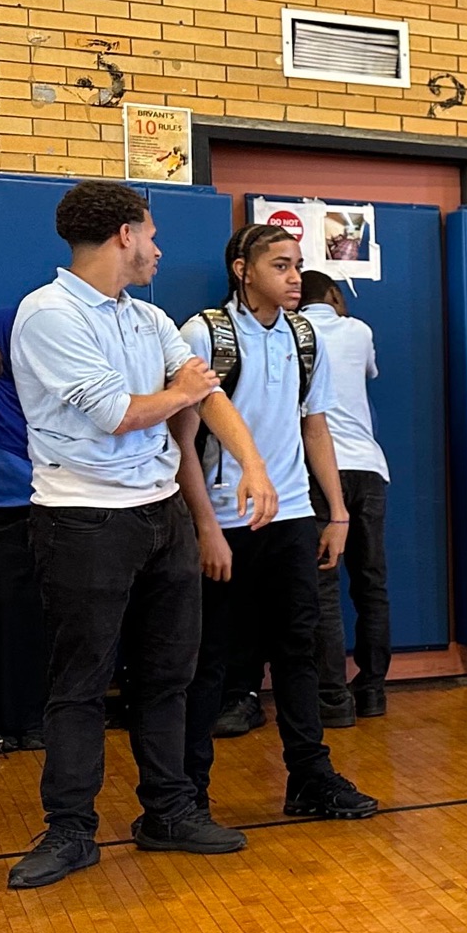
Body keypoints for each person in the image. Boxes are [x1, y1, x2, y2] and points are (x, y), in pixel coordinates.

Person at [7, 180, 276, 890]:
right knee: (82, 682)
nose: (158, 247)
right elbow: (116, 413)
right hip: (82, 519)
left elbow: (207, 395)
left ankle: (169, 811)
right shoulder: (49, 314)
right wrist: (183, 392)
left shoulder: (146, 317)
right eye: (151, 233)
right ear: (124, 235)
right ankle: (69, 829)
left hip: (163, 516)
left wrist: (252, 465)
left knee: (169, 675)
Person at [173, 224, 379, 823]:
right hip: (226, 522)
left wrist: (334, 511)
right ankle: (189, 793)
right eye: (281, 266)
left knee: (299, 650)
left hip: (291, 515)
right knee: (211, 658)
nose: (294, 278)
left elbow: (316, 426)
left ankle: (309, 777)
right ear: (243, 269)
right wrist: (206, 525)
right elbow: (183, 439)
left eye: (297, 266)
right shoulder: (204, 333)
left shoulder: (304, 336)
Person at [298, 271, 393, 724]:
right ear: (334, 296)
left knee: (324, 588)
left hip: (319, 470)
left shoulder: (292, 333)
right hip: (369, 469)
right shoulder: (358, 331)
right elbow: (370, 372)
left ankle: (332, 699)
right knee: (372, 585)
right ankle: (373, 690)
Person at [0, 303, 51, 755]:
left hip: (15, 498)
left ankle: (22, 718)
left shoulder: (12, 325)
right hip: (0, 491)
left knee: (18, 611)